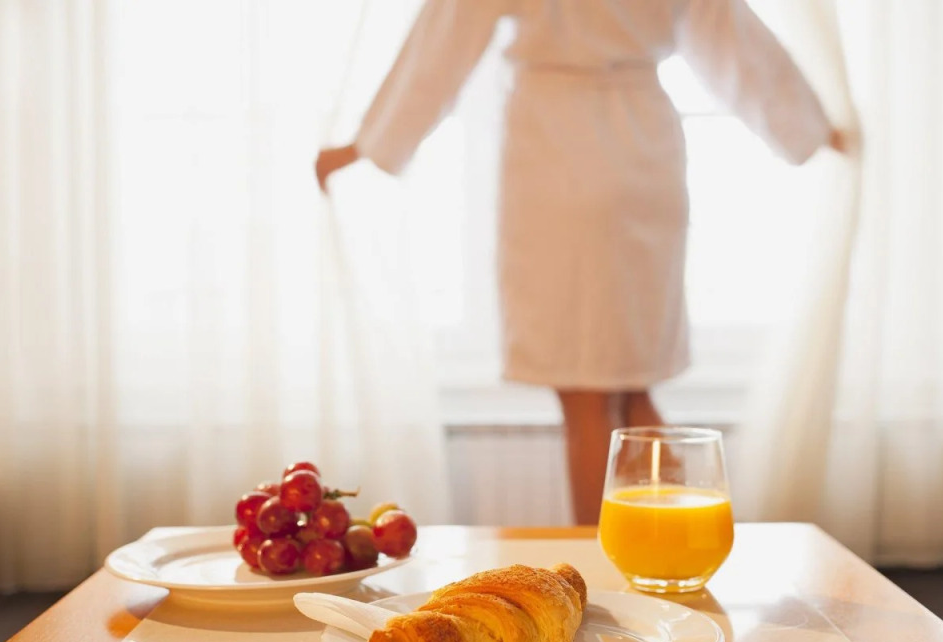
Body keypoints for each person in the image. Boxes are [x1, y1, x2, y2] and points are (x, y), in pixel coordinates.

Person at [316, 0, 845, 525]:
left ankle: (603, 562)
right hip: (645, 148)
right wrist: (810, 128)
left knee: (585, 397)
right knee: (636, 382)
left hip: (555, 146)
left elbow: (445, 39)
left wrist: (369, 144)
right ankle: (671, 551)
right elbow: (733, 35)